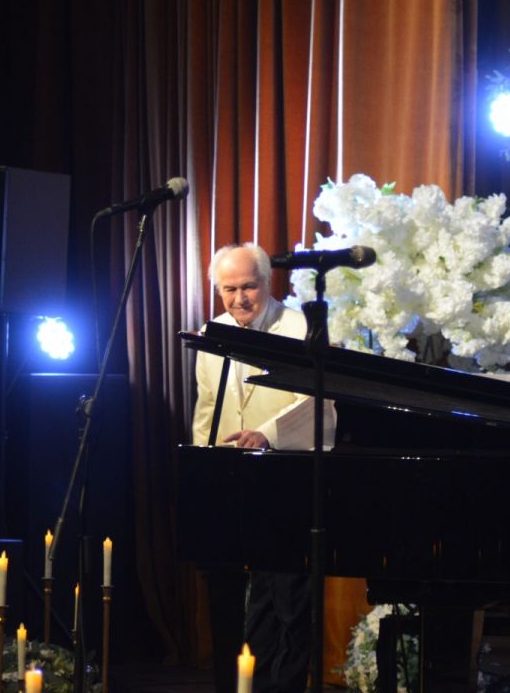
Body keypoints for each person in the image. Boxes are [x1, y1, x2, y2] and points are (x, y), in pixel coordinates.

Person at [192, 243, 335, 693]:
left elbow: (319, 404)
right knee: (250, 607)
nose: (239, 298)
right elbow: (207, 407)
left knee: (290, 603)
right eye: (229, 289)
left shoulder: (300, 328)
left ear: (268, 282)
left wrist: (267, 434)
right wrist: (202, 466)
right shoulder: (211, 332)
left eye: (248, 287)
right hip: (233, 484)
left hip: (288, 479)